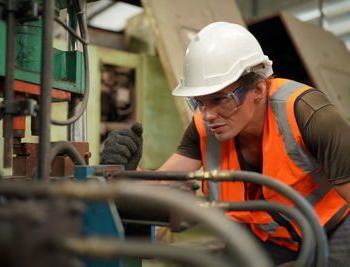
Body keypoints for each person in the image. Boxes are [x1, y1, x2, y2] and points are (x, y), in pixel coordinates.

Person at [101, 22, 350, 266]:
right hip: (273, 237)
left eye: (220, 99)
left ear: (259, 89)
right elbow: (164, 184)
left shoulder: (310, 115)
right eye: (198, 102)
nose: (207, 115)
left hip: (336, 227)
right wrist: (130, 171)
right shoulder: (203, 128)